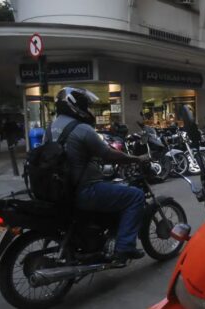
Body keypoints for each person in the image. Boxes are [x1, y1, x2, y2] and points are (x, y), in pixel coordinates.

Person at [47, 87, 148, 266]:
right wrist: (135, 159)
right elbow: (108, 154)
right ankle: (124, 247)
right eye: (85, 105)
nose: (88, 109)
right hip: (84, 190)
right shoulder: (82, 129)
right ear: (74, 105)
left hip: (60, 190)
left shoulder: (52, 127)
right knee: (135, 196)